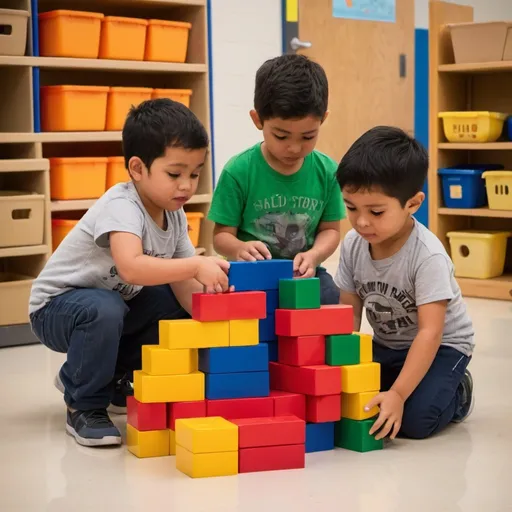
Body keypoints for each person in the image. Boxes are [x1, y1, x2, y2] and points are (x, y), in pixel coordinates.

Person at [29, 99, 231, 447]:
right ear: (137, 168)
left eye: (195, 174)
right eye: (175, 174)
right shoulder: (121, 206)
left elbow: (183, 285)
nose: (187, 185)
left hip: (113, 305)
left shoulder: (175, 215)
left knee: (169, 302)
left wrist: (221, 316)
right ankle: (84, 405)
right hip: (56, 309)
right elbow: (131, 266)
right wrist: (198, 263)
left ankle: (111, 377)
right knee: (103, 307)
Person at [335, 126, 475, 440]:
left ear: (412, 203)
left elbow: (431, 331)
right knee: (356, 400)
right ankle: (403, 381)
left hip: (442, 347)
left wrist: (398, 395)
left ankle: (459, 391)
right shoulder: (353, 244)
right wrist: (341, 365)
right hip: (388, 345)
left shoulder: (427, 256)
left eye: (376, 211)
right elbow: (349, 313)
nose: (361, 222)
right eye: (351, 207)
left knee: (413, 421)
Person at [207, 54, 345, 304]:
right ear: (257, 119)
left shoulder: (327, 172)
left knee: (331, 298)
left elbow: (331, 231)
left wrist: (314, 255)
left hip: (303, 274)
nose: (294, 148)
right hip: (251, 275)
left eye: (307, 137)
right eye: (281, 136)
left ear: (323, 119)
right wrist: (238, 249)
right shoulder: (238, 171)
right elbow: (220, 237)